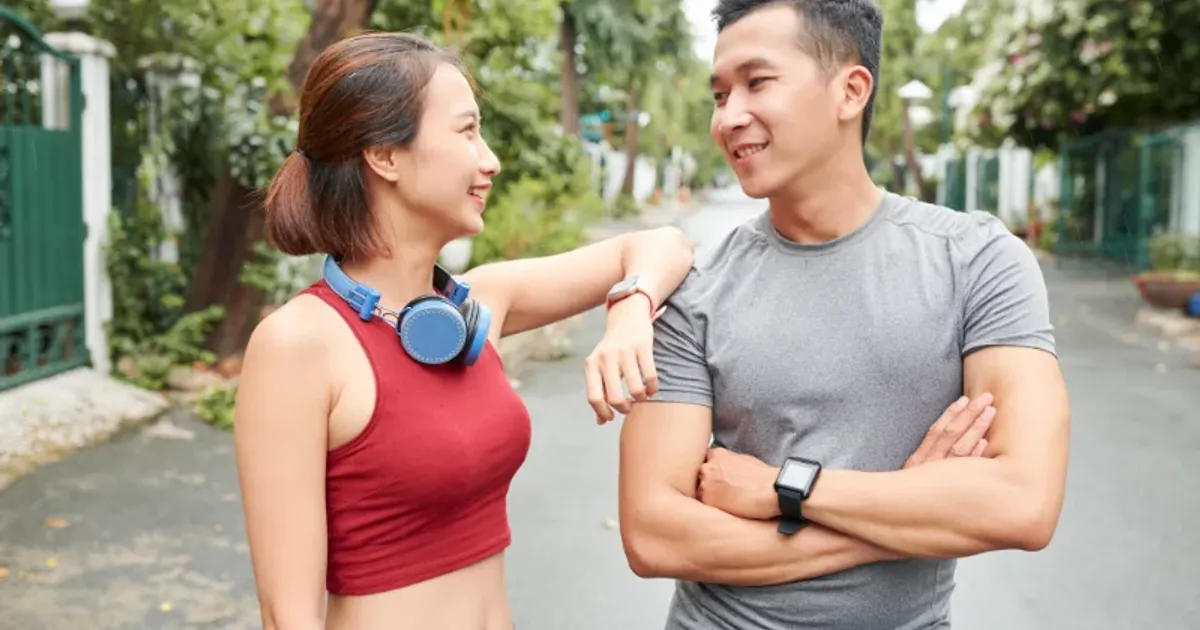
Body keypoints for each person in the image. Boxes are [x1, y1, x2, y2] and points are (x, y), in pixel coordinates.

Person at [615, 1, 1071, 629]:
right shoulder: (695, 290)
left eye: (757, 82)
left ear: (851, 91)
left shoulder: (978, 263)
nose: (729, 117)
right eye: (719, 94)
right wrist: (909, 519)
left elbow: (1023, 503)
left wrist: (785, 486)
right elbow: (655, 535)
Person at [232, 32, 694, 630]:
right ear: (385, 155)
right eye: (466, 131)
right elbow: (287, 616)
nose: (490, 160)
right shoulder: (298, 345)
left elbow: (663, 245)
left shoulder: (476, 307)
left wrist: (630, 310)